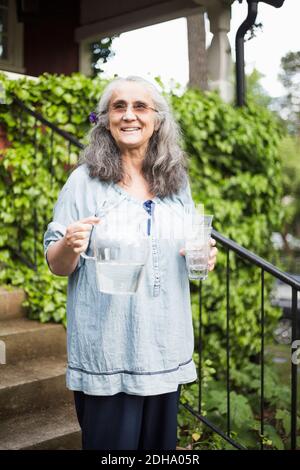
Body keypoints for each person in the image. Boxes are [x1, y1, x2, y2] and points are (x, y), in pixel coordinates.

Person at [44, 76, 218, 451]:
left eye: (140, 107)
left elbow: (189, 253)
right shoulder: (83, 182)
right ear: (106, 119)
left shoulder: (176, 181)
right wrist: (70, 245)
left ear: (157, 119)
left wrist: (205, 256)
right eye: (118, 107)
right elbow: (57, 264)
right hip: (109, 354)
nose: (129, 116)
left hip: (163, 349)